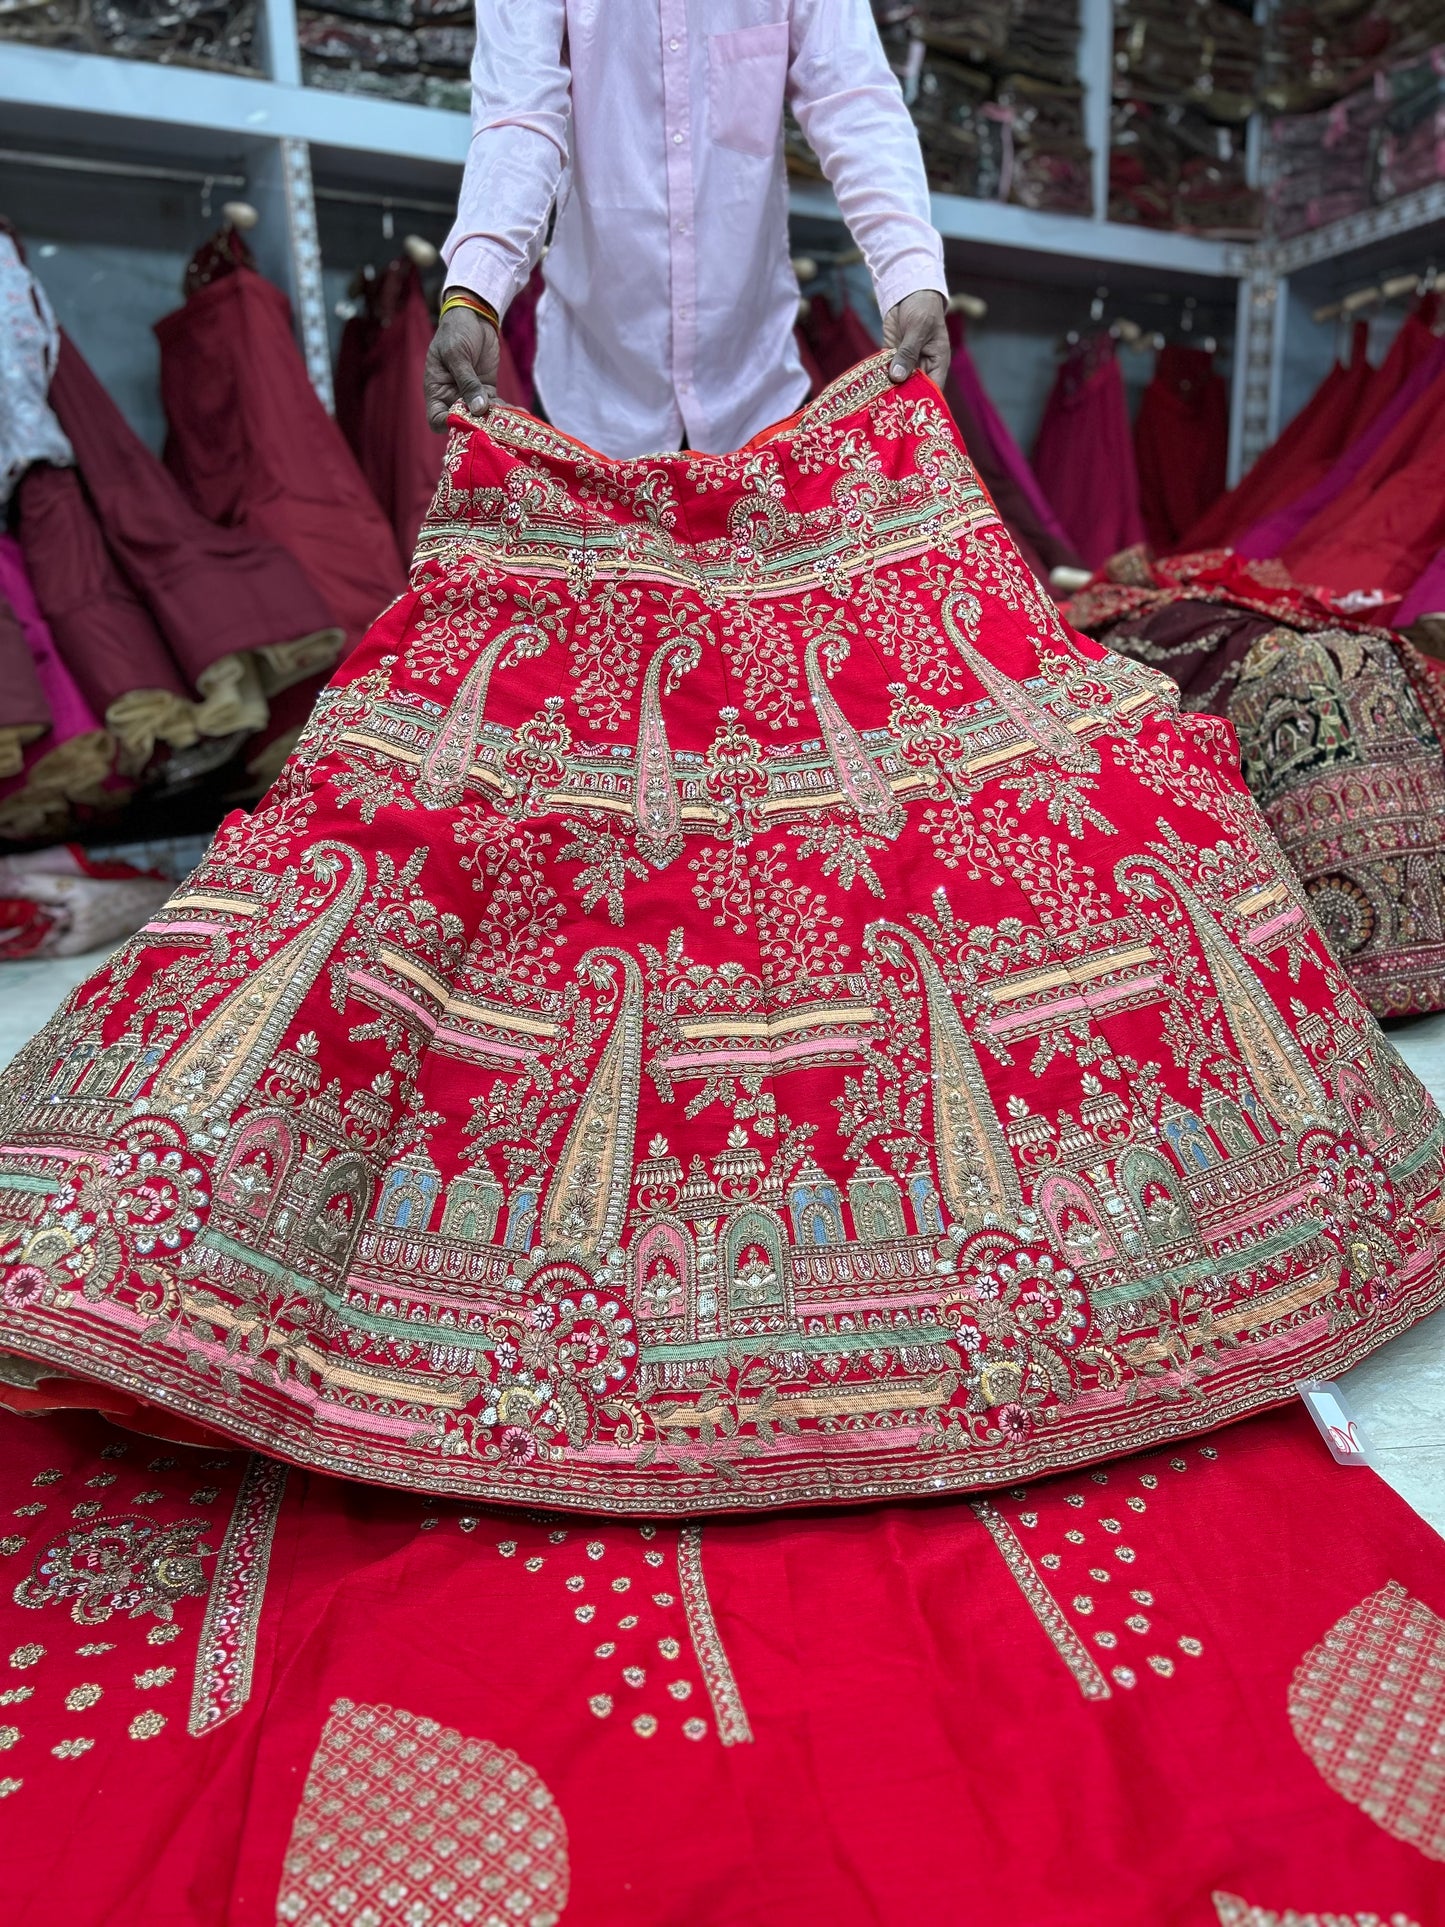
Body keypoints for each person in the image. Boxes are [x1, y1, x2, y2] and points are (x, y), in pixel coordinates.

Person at [423, 0, 950, 454]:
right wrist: (474, 293)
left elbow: (852, 96)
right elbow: (519, 117)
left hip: (756, 395)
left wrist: (909, 273)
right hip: (592, 399)